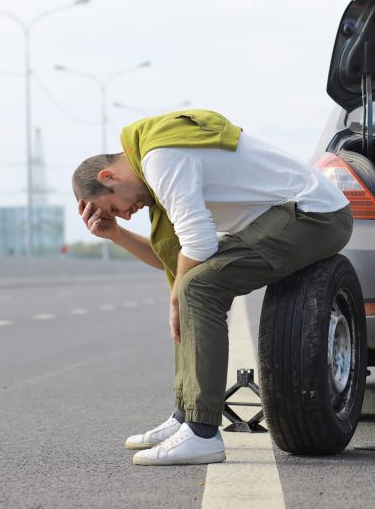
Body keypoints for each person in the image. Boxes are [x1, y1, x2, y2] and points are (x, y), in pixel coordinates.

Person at [71, 110, 351, 466]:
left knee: (196, 288)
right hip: (293, 215)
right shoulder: (153, 165)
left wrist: (176, 300)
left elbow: (198, 246)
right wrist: (116, 234)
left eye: (115, 208)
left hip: (315, 215)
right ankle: (185, 415)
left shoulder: (161, 158)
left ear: (109, 176)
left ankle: (202, 433)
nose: (127, 214)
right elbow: (177, 260)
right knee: (191, 285)